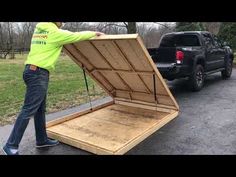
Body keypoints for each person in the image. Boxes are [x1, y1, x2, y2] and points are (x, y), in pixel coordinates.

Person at [2, 22, 104, 155]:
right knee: (28, 110)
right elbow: (75, 36)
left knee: (39, 109)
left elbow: (64, 34)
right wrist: (93, 33)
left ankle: (41, 139)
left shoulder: (39, 30)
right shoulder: (55, 33)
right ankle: (10, 145)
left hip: (31, 71)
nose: (62, 23)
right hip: (38, 73)